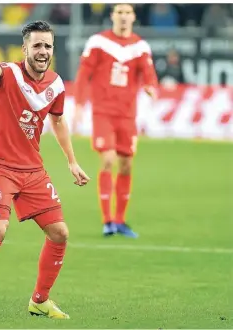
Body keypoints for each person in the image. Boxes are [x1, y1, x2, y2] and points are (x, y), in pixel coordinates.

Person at [0, 20, 90, 323]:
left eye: (48, 46)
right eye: (37, 45)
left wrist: (72, 160)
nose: (43, 51)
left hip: (32, 169)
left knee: (59, 232)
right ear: (24, 48)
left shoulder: (56, 84)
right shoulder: (10, 74)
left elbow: (57, 120)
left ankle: (40, 301)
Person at [73, 4, 158, 238]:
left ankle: (120, 220)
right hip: (103, 112)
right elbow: (83, 75)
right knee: (108, 159)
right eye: (119, 12)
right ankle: (107, 220)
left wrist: (151, 88)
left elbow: (149, 75)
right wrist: (79, 105)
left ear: (133, 17)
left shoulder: (140, 47)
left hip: (128, 114)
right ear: (112, 16)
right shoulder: (98, 42)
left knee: (127, 164)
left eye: (127, 12)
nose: (123, 17)